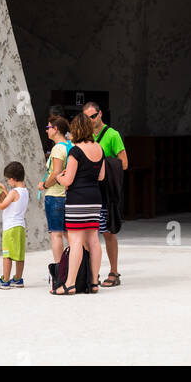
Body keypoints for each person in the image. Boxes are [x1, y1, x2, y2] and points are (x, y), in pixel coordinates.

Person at [55, 113, 105, 294]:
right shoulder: (99, 148)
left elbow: (68, 180)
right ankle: (93, 282)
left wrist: (60, 177)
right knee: (93, 239)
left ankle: (70, 283)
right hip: (95, 198)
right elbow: (101, 176)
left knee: (75, 240)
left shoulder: (75, 151)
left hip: (78, 199)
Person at [83, 101, 127, 287]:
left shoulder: (112, 135)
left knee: (108, 232)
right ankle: (90, 272)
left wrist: (103, 165)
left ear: (100, 114)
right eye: (87, 118)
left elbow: (123, 163)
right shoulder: (84, 135)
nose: (91, 120)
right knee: (87, 233)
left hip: (106, 191)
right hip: (89, 190)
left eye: (93, 116)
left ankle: (114, 271)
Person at [0, 162, 29, 289]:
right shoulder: (24, 191)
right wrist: (3, 188)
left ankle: (5, 280)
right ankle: (18, 279)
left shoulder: (14, 192)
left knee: (7, 255)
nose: (8, 182)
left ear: (13, 179)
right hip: (20, 227)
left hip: (10, 228)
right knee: (19, 255)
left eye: (7, 180)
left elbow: (2, 205)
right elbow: (10, 201)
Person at [38, 114, 70, 264]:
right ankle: (80, 266)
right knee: (69, 234)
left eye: (48, 127)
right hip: (68, 195)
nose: (46, 131)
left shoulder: (58, 149)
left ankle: (59, 269)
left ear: (55, 129)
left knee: (56, 234)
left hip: (56, 195)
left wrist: (44, 185)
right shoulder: (71, 146)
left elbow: (56, 173)